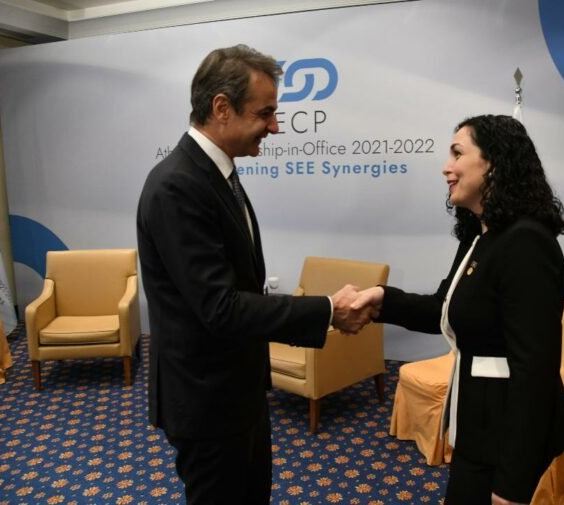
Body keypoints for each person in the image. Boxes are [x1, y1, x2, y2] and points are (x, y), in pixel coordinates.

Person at [136, 45, 368, 505]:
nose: (275, 126)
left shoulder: (216, 174)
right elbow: (220, 308)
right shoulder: (177, 186)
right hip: (207, 403)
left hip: (237, 391)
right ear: (222, 108)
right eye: (265, 113)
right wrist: (327, 310)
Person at [352, 115, 564, 505]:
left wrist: (513, 483)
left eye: (457, 153)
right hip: (478, 424)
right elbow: (445, 309)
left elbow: (535, 369)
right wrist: (382, 299)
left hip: (506, 438)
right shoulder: (481, 234)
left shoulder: (526, 244)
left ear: (494, 164)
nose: (446, 167)